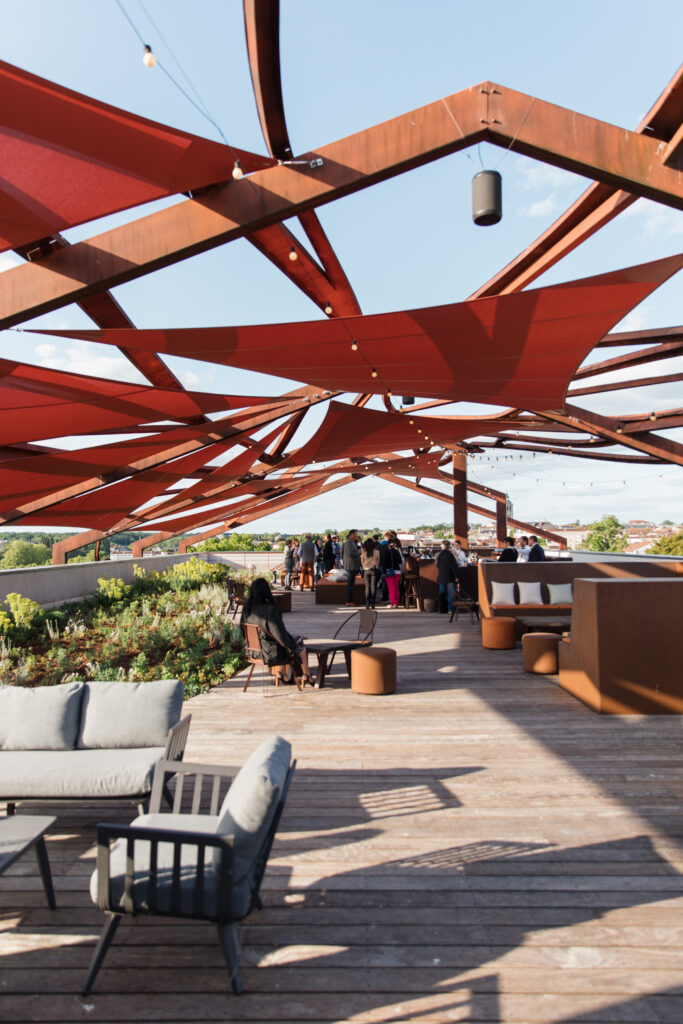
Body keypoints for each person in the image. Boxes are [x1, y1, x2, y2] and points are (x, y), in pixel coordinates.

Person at [240, 577, 311, 686]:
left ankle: (281, 674)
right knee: (298, 644)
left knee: (287, 641)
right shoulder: (270, 609)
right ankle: (306, 675)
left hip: (253, 651)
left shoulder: (247, 609)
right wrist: (291, 645)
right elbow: (279, 634)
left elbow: (243, 632)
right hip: (269, 653)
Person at [379, 533, 402, 608]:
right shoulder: (396, 551)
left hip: (389, 571)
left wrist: (383, 571)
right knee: (396, 588)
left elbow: (383, 562)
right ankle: (396, 603)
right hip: (397, 571)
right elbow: (400, 561)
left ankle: (393, 603)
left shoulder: (386, 551)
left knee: (391, 588)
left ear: (388, 544)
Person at [436, 540, 458, 614]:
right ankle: (450, 610)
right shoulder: (450, 555)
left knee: (441, 594)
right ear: (449, 546)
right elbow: (454, 566)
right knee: (451, 594)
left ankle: (441, 609)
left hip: (441, 576)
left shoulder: (439, 555)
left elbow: (437, 565)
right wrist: (457, 576)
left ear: (443, 546)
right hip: (450, 577)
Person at [342, 529, 361, 605]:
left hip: (352, 566)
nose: (357, 536)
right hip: (351, 566)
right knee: (350, 584)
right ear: (352, 534)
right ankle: (349, 601)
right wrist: (359, 552)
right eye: (356, 534)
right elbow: (350, 553)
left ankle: (350, 600)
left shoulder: (351, 542)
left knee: (351, 584)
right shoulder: (349, 542)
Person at [361, 537, 381, 609]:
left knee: (367, 587)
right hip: (374, 570)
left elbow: (362, 562)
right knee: (373, 587)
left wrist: (364, 567)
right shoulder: (377, 552)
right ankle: (373, 603)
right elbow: (378, 561)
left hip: (366, 570)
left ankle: (367, 604)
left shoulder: (363, 552)